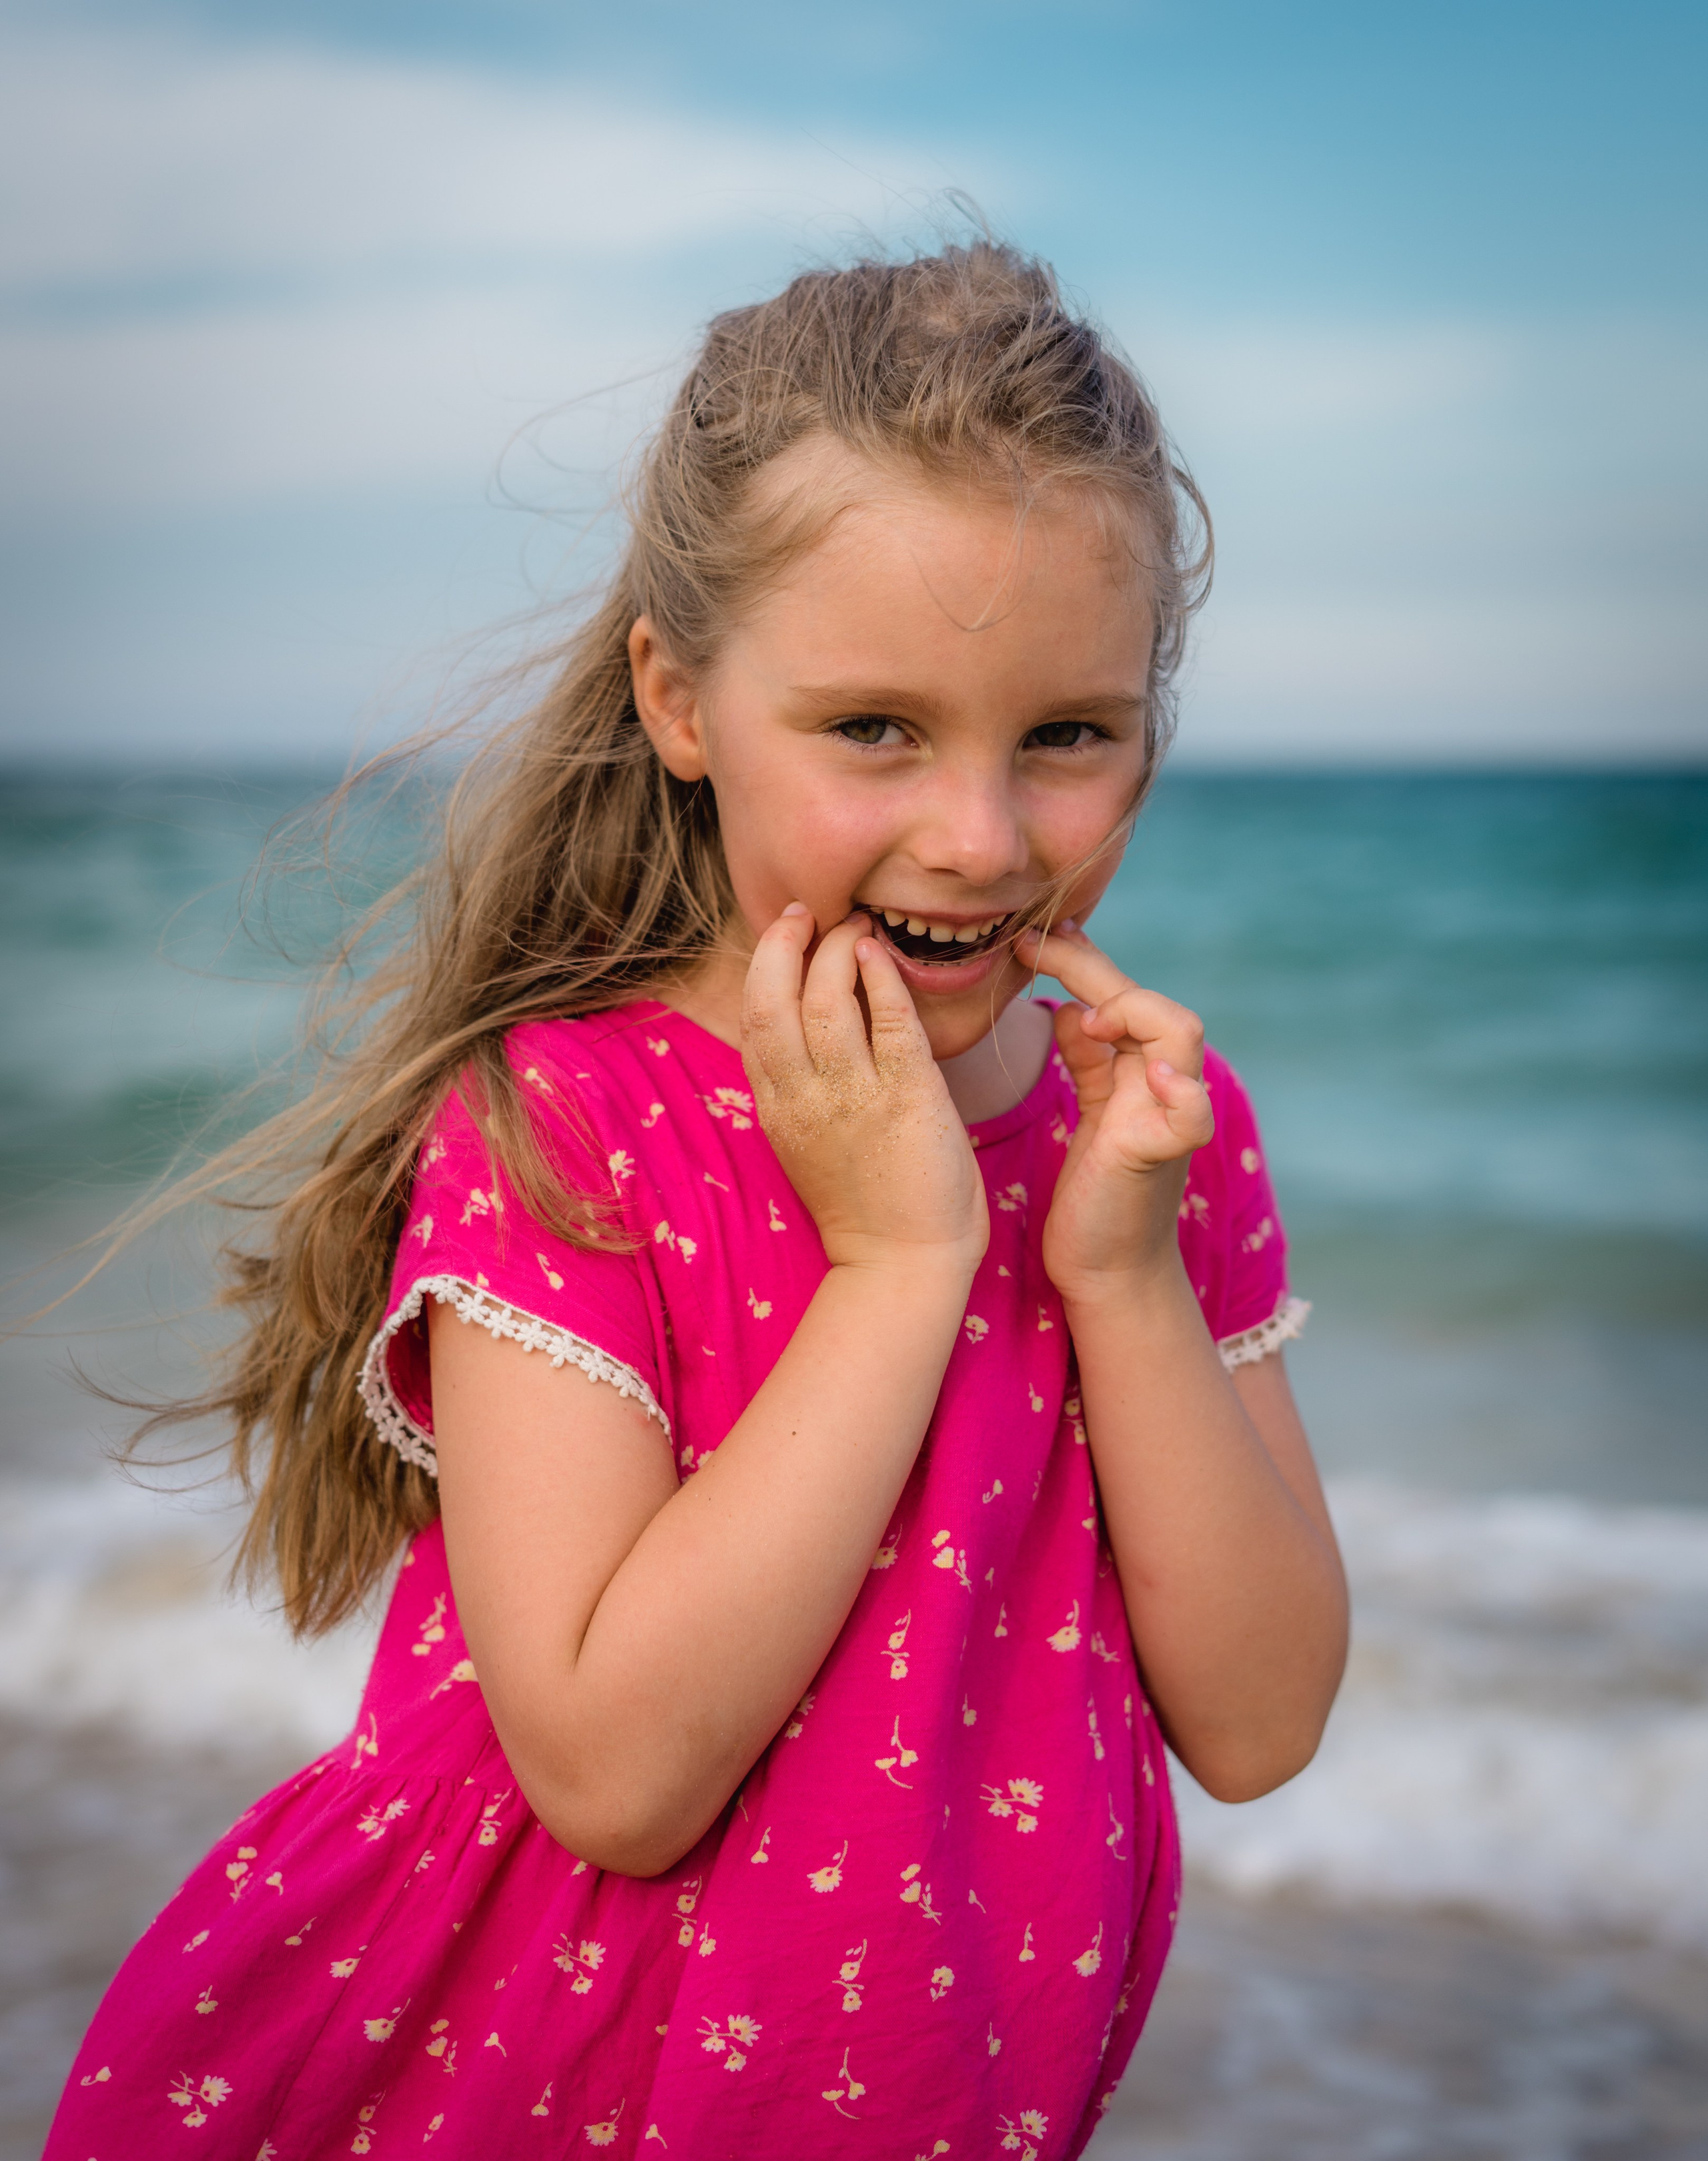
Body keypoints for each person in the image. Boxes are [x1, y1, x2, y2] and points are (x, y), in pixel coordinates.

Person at [46, 240, 1347, 2160]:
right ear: (679, 699)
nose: (980, 835)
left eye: (1068, 735)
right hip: (504, 2082)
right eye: (874, 728)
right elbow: (612, 1775)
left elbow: (1259, 1726)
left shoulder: (1154, 1137)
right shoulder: (573, 1125)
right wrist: (902, 1262)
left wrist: (1125, 1277)